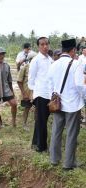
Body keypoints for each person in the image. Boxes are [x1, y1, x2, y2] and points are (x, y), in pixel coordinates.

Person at [48, 39, 85, 170]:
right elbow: (80, 85)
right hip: (72, 104)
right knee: (71, 133)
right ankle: (68, 163)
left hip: (57, 103)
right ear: (73, 50)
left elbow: (50, 85)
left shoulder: (53, 64)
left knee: (56, 131)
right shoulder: (76, 64)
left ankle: (54, 159)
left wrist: (53, 99)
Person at [28, 37, 53, 152]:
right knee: (42, 121)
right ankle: (41, 147)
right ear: (38, 46)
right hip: (41, 94)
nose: (45, 46)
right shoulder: (36, 60)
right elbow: (31, 79)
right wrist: (34, 94)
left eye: (47, 44)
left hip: (49, 94)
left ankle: (36, 142)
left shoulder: (50, 60)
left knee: (41, 120)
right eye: (42, 44)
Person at [17, 52, 37, 131]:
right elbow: (19, 81)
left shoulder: (38, 68)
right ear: (31, 59)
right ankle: (24, 124)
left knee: (37, 108)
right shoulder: (25, 67)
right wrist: (24, 93)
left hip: (36, 92)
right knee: (27, 108)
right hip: (27, 92)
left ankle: (36, 124)